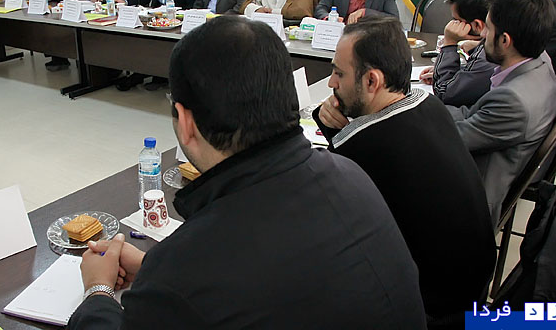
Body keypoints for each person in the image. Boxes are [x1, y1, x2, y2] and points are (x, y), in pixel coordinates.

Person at [67, 16, 427, 329]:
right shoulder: (351, 174)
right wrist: (152, 269)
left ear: (186, 122)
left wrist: (98, 291)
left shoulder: (185, 270)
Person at [313, 17, 495, 327]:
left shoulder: (371, 145)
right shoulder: (427, 104)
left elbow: (329, 206)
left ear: (372, 81)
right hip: (476, 287)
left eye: (339, 73)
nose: (331, 83)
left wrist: (329, 126)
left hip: (431, 309)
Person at [446, 0, 556, 225]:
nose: (482, 36)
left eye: (487, 29)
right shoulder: (540, 61)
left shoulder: (513, 101)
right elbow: (472, 114)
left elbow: (449, 139)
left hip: (471, 203)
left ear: (505, 41)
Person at [119, 0, 197, 92]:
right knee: (139, 38)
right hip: (156, 20)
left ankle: (160, 76)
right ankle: (143, 72)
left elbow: (191, 5)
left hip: (177, 22)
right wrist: (125, 2)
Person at [419, 0, 498, 107]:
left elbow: (443, 93)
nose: (452, 25)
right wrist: (452, 73)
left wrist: (449, 42)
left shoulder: (487, 56)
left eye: (456, 20)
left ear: (478, 25)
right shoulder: (494, 44)